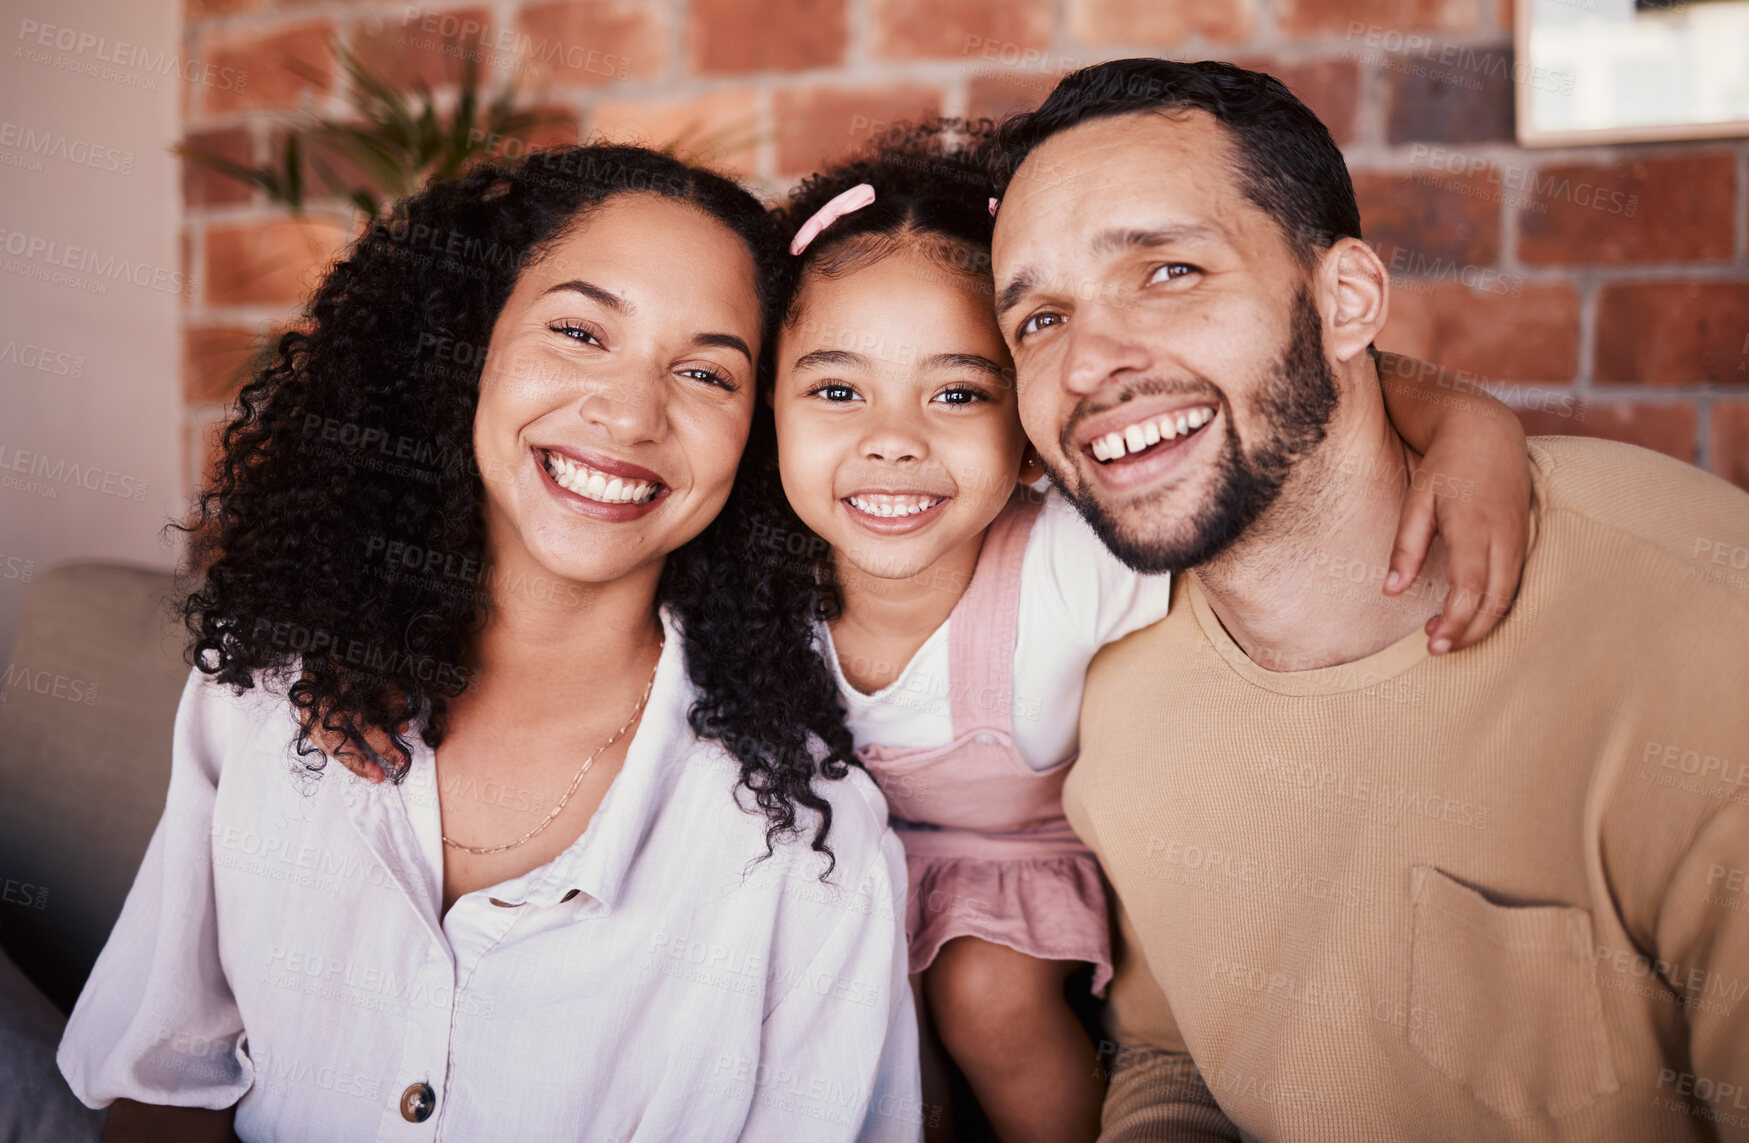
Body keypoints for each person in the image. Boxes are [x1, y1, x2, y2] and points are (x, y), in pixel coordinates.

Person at [57, 145, 921, 1142]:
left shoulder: (807, 849)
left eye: (704, 372)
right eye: (581, 331)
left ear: (757, 435)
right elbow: (166, 1086)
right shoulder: (269, 694)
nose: (632, 412)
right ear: (468, 348)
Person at [990, 57, 1749, 1141]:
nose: (1087, 364)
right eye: (1038, 321)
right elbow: (1179, 1058)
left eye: (1168, 272)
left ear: (1348, 300)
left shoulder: (1700, 624)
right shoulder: (1116, 694)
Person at [764, 122, 1535, 1143]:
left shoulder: (1068, 563)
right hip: (846, 871)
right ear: (765, 410)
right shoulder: (746, 588)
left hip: (1020, 869)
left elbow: (1290, 410)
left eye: (956, 392)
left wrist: (1468, 421)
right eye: (835, 390)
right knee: (857, 1016)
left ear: (1032, 432)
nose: (893, 441)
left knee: (984, 997)